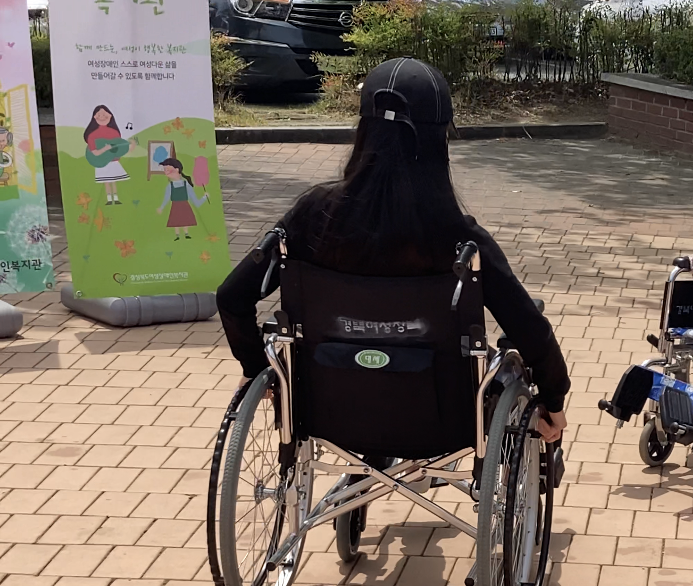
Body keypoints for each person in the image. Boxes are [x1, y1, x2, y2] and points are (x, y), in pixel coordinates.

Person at [216, 58, 569, 443]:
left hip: (328, 410)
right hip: (440, 423)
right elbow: (528, 328)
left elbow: (232, 295)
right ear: (440, 141)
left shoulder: (314, 216)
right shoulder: (459, 240)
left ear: (364, 131)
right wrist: (553, 398)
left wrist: (256, 367)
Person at [84, 105, 130, 204]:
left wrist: (128, 147)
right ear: (94, 117)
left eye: (105, 115)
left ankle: (116, 198)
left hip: (114, 162)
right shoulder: (92, 135)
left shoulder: (114, 132)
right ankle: (109, 199)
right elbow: (95, 152)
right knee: (106, 182)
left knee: (114, 181)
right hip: (102, 163)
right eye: (99, 115)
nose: (102, 117)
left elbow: (118, 148)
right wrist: (105, 149)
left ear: (110, 116)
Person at [156, 158, 209, 240]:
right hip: (175, 206)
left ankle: (186, 233)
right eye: (165, 170)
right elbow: (166, 197)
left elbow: (195, 201)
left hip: (185, 206)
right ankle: (177, 235)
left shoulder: (186, 184)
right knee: (176, 221)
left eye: (168, 170)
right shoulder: (170, 186)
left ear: (177, 169)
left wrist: (204, 197)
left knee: (185, 220)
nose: (166, 172)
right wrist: (161, 207)